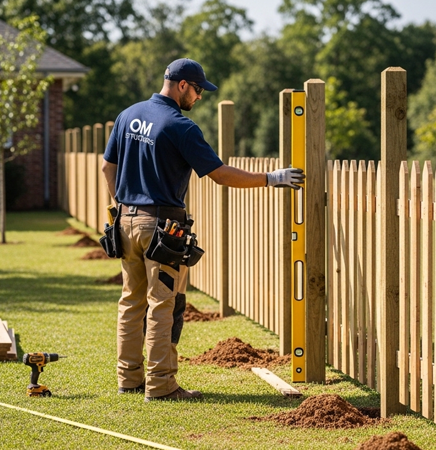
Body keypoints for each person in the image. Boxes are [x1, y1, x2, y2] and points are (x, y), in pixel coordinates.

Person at [102, 58, 304, 402]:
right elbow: (220, 173)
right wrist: (272, 178)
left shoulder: (127, 116)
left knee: (130, 303)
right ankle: (162, 385)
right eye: (197, 91)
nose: (198, 98)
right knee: (163, 304)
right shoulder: (180, 126)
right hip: (161, 228)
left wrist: (122, 206)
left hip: (124, 223)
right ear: (182, 85)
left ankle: (129, 380)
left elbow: (108, 166)